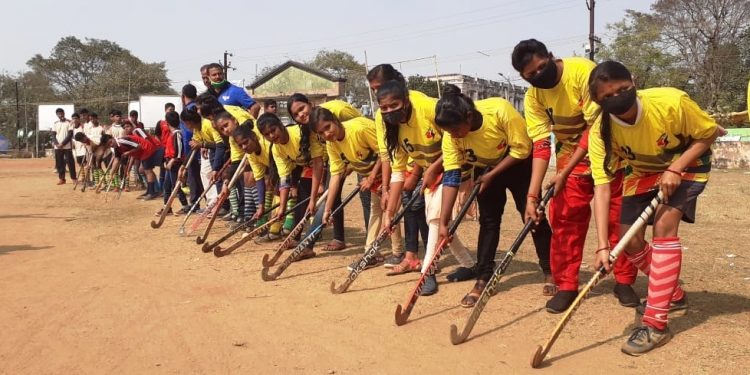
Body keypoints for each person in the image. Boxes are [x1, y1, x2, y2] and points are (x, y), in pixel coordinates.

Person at [586, 60, 718, 355]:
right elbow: (602, 186)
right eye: (607, 97)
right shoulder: (600, 132)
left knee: (663, 228)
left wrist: (676, 167)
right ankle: (673, 293)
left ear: (633, 81)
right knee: (629, 241)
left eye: (622, 89)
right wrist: (601, 247)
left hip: (688, 166)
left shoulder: (670, 101)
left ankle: (656, 325)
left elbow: (708, 133)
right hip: (642, 172)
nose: (617, 98)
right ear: (597, 101)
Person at [511, 39, 638, 312]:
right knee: (566, 219)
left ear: (551, 56)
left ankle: (624, 280)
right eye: (530, 75)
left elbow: (595, 126)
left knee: (618, 217)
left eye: (542, 67)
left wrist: (563, 172)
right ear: (523, 77)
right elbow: (542, 146)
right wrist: (531, 196)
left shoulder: (582, 72)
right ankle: (567, 285)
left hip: (608, 148)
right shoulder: (533, 98)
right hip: (571, 154)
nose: (538, 76)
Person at [434, 84, 554, 307]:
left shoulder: (499, 110)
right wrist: (444, 221)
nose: (453, 136)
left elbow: (522, 149)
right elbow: (451, 175)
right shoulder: (450, 136)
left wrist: (494, 174)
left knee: (532, 217)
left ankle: (549, 270)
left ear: (469, 116)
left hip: (518, 164)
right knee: (488, 222)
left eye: (456, 130)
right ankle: (483, 277)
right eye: (449, 132)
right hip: (485, 169)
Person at [377, 80, 476, 296]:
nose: (389, 111)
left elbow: (455, 138)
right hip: (432, 177)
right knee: (442, 224)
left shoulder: (428, 108)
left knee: (434, 220)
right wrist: (390, 214)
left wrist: (433, 167)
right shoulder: (393, 129)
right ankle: (469, 264)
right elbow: (397, 172)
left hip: (455, 169)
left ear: (405, 100)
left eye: (394, 105)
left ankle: (427, 272)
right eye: (383, 108)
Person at [310, 107, 405, 270]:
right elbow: (335, 176)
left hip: (393, 169)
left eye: (327, 127)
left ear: (335, 120)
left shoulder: (359, 129)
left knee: (390, 209)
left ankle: (398, 253)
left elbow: (385, 153)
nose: (327, 134)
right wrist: (327, 210)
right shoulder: (331, 145)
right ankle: (371, 253)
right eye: (321, 132)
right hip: (374, 177)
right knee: (376, 210)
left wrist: (374, 178)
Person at [367, 64, 429, 270]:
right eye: (374, 89)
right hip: (405, 169)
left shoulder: (420, 103)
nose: (378, 93)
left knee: (426, 213)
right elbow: (389, 155)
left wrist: (419, 171)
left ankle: (429, 259)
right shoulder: (382, 114)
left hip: (429, 165)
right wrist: (386, 192)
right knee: (412, 212)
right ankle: (412, 256)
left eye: (379, 87)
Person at [286, 93, 363, 251]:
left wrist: (351, 163)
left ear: (310, 103)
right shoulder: (312, 129)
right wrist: (313, 199)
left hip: (363, 150)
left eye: (302, 108)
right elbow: (318, 163)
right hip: (338, 158)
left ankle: (307, 244)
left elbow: (359, 127)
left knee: (366, 197)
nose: (301, 114)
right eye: (296, 114)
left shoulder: (336, 110)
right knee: (331, 196)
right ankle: (336, 239)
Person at [257, 112, 327, 260]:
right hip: (308, 167)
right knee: (302, 200)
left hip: (325, 162)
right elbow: (285, 179)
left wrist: (318, 189)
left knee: (323, 204)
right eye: (267, 134)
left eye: (273, 130)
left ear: (281, 125)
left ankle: (314, 243)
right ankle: (295, 236)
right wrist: (282, 206)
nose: (271, 136)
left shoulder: (299, 133)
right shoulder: (276, 149)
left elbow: (318, 162)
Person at [158, 111, 190, 215]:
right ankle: (167, 207)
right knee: (167, 186)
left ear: (167, 123)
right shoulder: (172, 134)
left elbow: (179, 151)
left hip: (175, 163)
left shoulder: (177, 134)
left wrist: (172, 160)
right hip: (169, 163)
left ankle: (185, 205)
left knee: (176, 186)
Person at [180, 84, 203, 211]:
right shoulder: (198, 107)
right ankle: (198, 202)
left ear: (183, 96)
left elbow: (188, 134)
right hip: (200, 147)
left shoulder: (188, 111)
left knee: (195, 176)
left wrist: (187, 155)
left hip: (195, 148)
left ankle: (195, 202)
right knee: (201, 176)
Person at [51, 108, 76, 185]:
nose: (60, 115)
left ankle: (74, 178)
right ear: (57, 115)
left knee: (70, 162)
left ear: (64, 113)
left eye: (61, 113)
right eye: (58, 114)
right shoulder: (55, 123)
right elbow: (53, 135)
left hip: (67, 146)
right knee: (59, 163)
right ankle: (62, 179)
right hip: (58, 147)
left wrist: (63, 144)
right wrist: (57, 144)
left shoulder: (69, 122)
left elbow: (70, 134)